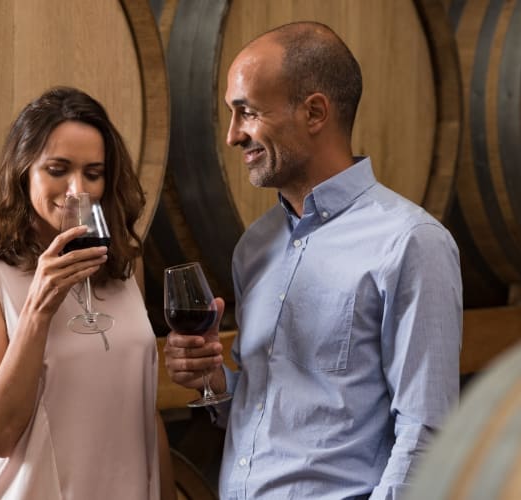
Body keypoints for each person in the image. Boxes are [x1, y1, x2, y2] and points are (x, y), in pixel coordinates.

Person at [164, 22, 462, 500]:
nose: (232, 136)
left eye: (247, 113)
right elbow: (270, 402)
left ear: (315, 112)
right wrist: (216, 380)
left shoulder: (410, 242)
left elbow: (428, 431)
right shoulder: (254, 247)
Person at [0, 86, 173, 499]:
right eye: (58, 169)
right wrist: (37, 309)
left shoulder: (125, 267)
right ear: (24, 170)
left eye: (93, 173)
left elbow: (143, 411)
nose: (77, 189)